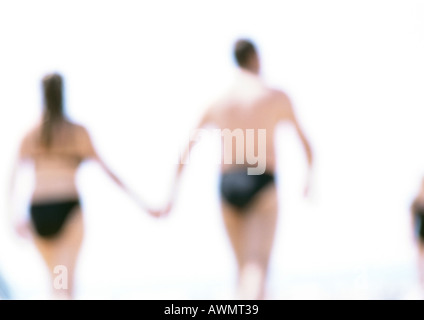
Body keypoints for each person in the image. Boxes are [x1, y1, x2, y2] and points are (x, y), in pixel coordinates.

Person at [162, 39, 314, 299]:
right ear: (256, 58)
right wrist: (308, 179)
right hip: (258, 174)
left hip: (228, 180)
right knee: (256, 267)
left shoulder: (220, 101)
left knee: (243, 270)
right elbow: (306, 145)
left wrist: (171, 196)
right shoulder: (273, 96)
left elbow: (186, 148)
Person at [9, 72, 149, 299]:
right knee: (64, 284)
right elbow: (110, 173)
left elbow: (12, 178)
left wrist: (13, 216)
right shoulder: (77, 133)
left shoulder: (30, 136)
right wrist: (143, 203)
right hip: (67, 210)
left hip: (39, 212)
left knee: (56, 282)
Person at [410, 177, 424, 291]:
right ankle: (421, 285)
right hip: (421, 236)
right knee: (420, 262)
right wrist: (412, 237)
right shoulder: (415, 203)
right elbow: (412, 222)